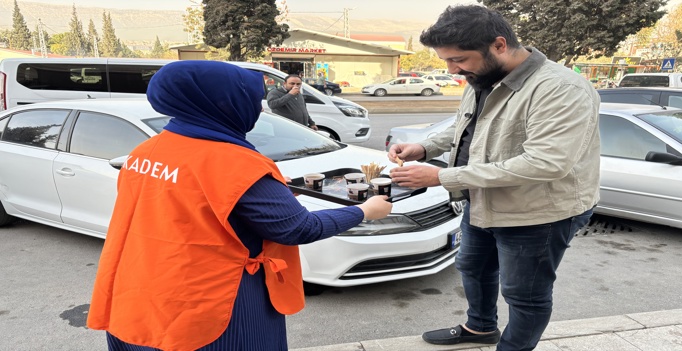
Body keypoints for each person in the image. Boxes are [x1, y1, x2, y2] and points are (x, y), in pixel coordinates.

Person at [86, 60, 392, 351]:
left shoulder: (147, 150)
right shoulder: (236, 163)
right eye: (250, 100)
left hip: (144, 287)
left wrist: (266, 199)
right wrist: (365, 210)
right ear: (223, 103)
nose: (257, 109)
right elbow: (298, 228)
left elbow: (185, 206)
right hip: (215, 299)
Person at [387, 5, 600, 351]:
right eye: (446, 61)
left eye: (459, 59)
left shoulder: (561, 88)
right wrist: (423, 148)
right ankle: (480, 328)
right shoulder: (481, 77)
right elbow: (466, 127)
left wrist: (443, 176)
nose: (453, 70)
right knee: (472, 266)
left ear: (499, 45)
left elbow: (546, 163)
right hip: (482, 199)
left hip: (538, 212)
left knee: (524, 293)